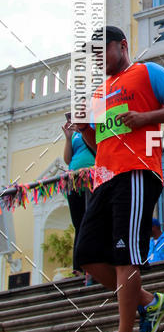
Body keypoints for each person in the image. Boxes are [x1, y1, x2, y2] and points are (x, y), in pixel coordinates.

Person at [75, 26, 164, 332]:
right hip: (104, 177)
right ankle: (150, 303)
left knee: (126, 254)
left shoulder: (147, 72)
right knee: (88, 256)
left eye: (101, 52)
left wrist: (145, 118)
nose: (97, 60)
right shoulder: (99, 92)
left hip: (138, 171)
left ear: (121, 45)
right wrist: (85, 130)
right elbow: (100, 146)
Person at [62, 114, 96, 284]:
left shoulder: (92, 125)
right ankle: (79, 266)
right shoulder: (74, 132)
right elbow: (68, 159)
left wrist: (83, 130)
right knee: (78, 223)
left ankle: (93, 265)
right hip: (74, 180)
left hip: (91, 178)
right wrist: (68, 138)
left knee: (91, 219)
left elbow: (96, 146)